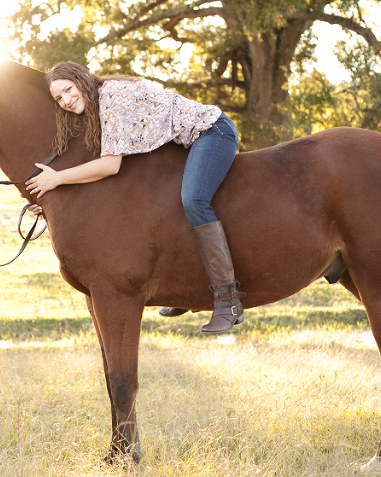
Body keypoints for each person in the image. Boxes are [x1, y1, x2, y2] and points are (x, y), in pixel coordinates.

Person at [26, 61, 245, 334]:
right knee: (170, 205)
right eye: (58, 98)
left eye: (69, 90)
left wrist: (56, 178)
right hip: (182, 144)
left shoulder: (111, 98)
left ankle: (228, 301)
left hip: (211, 132)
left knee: (194, 201)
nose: (66, 100)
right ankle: (189, 290)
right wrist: (52, 200)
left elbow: (109, 166)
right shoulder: (96, 106)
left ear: (82, 81)